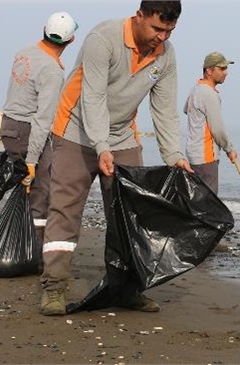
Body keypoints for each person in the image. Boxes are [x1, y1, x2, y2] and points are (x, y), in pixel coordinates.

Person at [39, 1, 192, 316]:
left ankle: (126, 289)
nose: (162, 37)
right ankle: (54, 287)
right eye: (157, 28)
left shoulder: (166, 55)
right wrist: (100, 145)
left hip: (122, 136)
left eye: (169, 30)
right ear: (139, 17)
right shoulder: (103, 38)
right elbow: (92, 96)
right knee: (65, 210)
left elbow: (164, 108)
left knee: (129, 216)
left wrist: (173, 154)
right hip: (76, 132)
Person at [0, 11, 78, 254]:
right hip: (27, 130)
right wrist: (32, 161)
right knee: (41, 191)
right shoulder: (53, 72)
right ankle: (30, 251)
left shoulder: (24, 53)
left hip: (9, 126)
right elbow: (42, 120)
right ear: (71, 41)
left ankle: (20, 244)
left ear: (44, 31)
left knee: (27, 188)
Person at [183, 51, 237, 194]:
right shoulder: (209, 94)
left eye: (226, 68)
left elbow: (186, 109)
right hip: (205, 155)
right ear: (209, 71)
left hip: (193, 153)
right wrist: (229, 149)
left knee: (199, 197)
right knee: (209, 199)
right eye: (221, 69)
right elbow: (217, 129)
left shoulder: (195, 90)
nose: (226, 73)